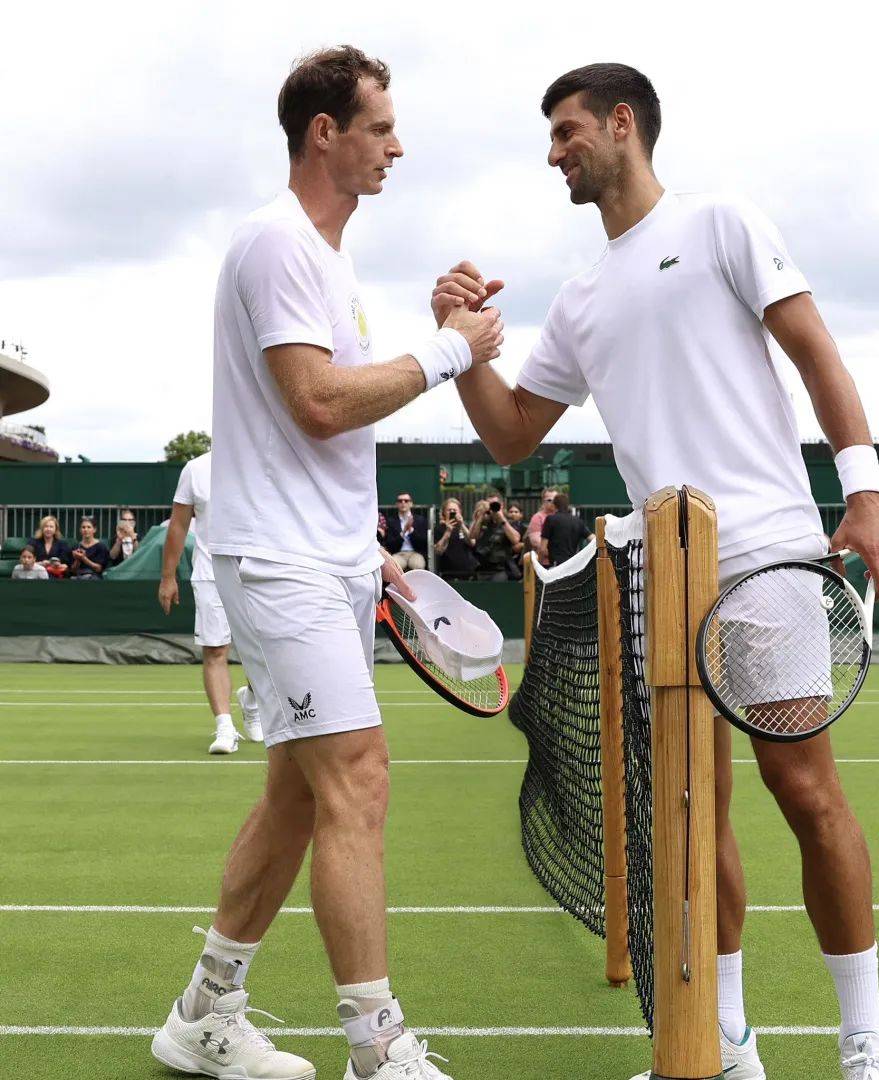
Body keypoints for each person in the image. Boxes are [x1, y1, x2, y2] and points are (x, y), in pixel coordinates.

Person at [434, 63, 879, 1080]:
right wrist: (461, 348)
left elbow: (817, 351)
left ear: (621, 123)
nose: (555, 152)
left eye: (567, 131)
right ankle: (723, 1043)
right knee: (694, 810)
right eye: (550, 138)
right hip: (663, 575)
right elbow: (514, 434)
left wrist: (863, 491)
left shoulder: (723, 223)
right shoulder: (577, 299)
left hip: (768, 558)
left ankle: (865, 1039)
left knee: (806, 791)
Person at [151, 46, 501, 1080]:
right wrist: (449, 351)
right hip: (279, 569)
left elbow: (329, 436)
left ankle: (203, 1013)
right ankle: (376, 1048)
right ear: (324, 133)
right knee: (359, 777)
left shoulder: (328, 261)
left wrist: (378, 554)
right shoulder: (274, 245)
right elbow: (315, 403)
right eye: (380, 126)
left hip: (333, 563)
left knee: (300, 797)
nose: (397, 144)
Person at [158, 452, 264, 754]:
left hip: (262, 573)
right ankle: (224, 726)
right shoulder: (196, 469)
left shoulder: (267, 460)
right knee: (215, 649)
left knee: (267, 651)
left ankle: (252, 699)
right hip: (210, 573)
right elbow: (178, 525)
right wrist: (168, 577)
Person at [469, 493, 521, 580]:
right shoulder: (483, 522)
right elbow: (472, 536)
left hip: (500, 569)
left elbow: (516, 539)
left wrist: (501, 518)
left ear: (502, 505)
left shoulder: (508, 523)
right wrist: (481, 516)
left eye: (495, 504)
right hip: (482, 569)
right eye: (490, 504)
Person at [540, 492, 593, 566]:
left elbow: (542, 548)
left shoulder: (550, 519)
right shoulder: (578, 521)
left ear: (554, 505)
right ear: (567, 506)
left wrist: (540, 564)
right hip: (572, 564)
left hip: (556, 564)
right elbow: (592, 539)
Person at [432, 497, 477, 579]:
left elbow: (472, 543)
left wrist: (462, 525)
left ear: (460, 512)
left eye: (455, 510)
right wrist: (448, 532)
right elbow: (438, 550)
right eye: (449, 510)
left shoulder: (465, 527)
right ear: (444, 512)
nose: (452, 512)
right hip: (447, 573)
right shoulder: (439, 528)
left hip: (467, 573)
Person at [383, 492, 428, 570]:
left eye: (406, 501)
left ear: (411, 503)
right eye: (400, 501)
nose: (403, 503)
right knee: (392, 567)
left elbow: (423, 543)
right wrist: (403, 532)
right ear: (397, 504)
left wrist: (411, 531)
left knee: (418, 566)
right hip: (398, 554)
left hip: (415, 553)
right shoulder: (391, 521)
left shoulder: (420, 520)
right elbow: (390, 544)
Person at [526, 489, 558, 565]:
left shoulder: (562, 517)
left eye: (556, 499)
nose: (553, 502)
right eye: (549, 500)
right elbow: (537, 543)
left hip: (562, 563)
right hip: (544, 564)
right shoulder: (537, 517)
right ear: (543, 501)